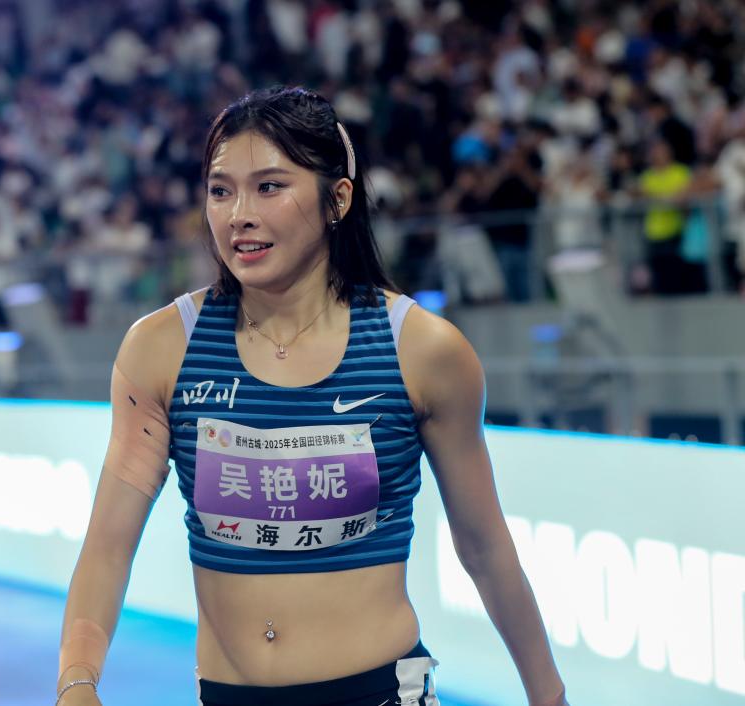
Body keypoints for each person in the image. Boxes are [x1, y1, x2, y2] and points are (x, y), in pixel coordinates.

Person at [56, 86, 569, 706]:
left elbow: (485, 548)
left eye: (269, 187)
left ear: (338, 200)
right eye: (221, 190)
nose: (239, 214)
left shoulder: (422, 351)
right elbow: (109, 545)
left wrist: (550, 698)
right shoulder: (161, 349)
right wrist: (76, 681)